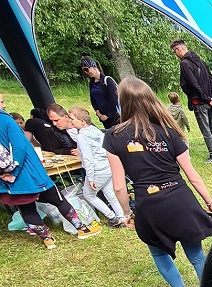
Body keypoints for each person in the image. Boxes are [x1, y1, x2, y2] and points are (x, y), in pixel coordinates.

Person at [103, 77, 212, 287]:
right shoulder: (169, 132)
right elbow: (192, 176)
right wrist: (209, 202)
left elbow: (119, 186)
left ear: (122, 102)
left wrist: (127, 213)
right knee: (196, 255)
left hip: (148, 205)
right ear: (150, 100)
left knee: (159, 254)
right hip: (181, 200)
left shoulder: (113, 136)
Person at [0, 109, 97, 249]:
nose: (3, 105)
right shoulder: (5, 119)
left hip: (8, 179)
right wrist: (14, 171)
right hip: (30, 172)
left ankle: (47, 239)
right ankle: (82, 229)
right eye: (1, 101)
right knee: (57, 199)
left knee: (26, 208)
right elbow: (20, 146)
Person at [68, 106, 126, 228]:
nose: (70, 121)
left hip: (97, 170)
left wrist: (90, 177)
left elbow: (88, 158)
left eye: (72, 118)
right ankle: (122, 216)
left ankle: (112, 217)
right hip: (107, 166)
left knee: (88, 194)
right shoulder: (95, 130)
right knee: (109, 193)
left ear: (82, 121)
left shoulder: (82, 136)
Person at [170, 39, 212, 163]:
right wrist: (211, 97)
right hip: (209, 100)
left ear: (178, 49)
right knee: (211, 126)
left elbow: (193, 84)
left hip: (200, 101)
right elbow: (211, 81)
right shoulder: (201, 61)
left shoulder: (185, 64)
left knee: (205, 129)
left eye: (174, 52)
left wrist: (206, 98)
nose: (175, 55)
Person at [80, 56, 120, 129]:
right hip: (103, 117)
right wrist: (98, 112)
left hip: (114, 116)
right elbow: (93, 99)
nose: (86, 72)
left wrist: (107, 115)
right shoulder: (92, 83)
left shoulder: (107, 80)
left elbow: (114, 99)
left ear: (94, 67)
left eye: (86, 69)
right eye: (84, 71)